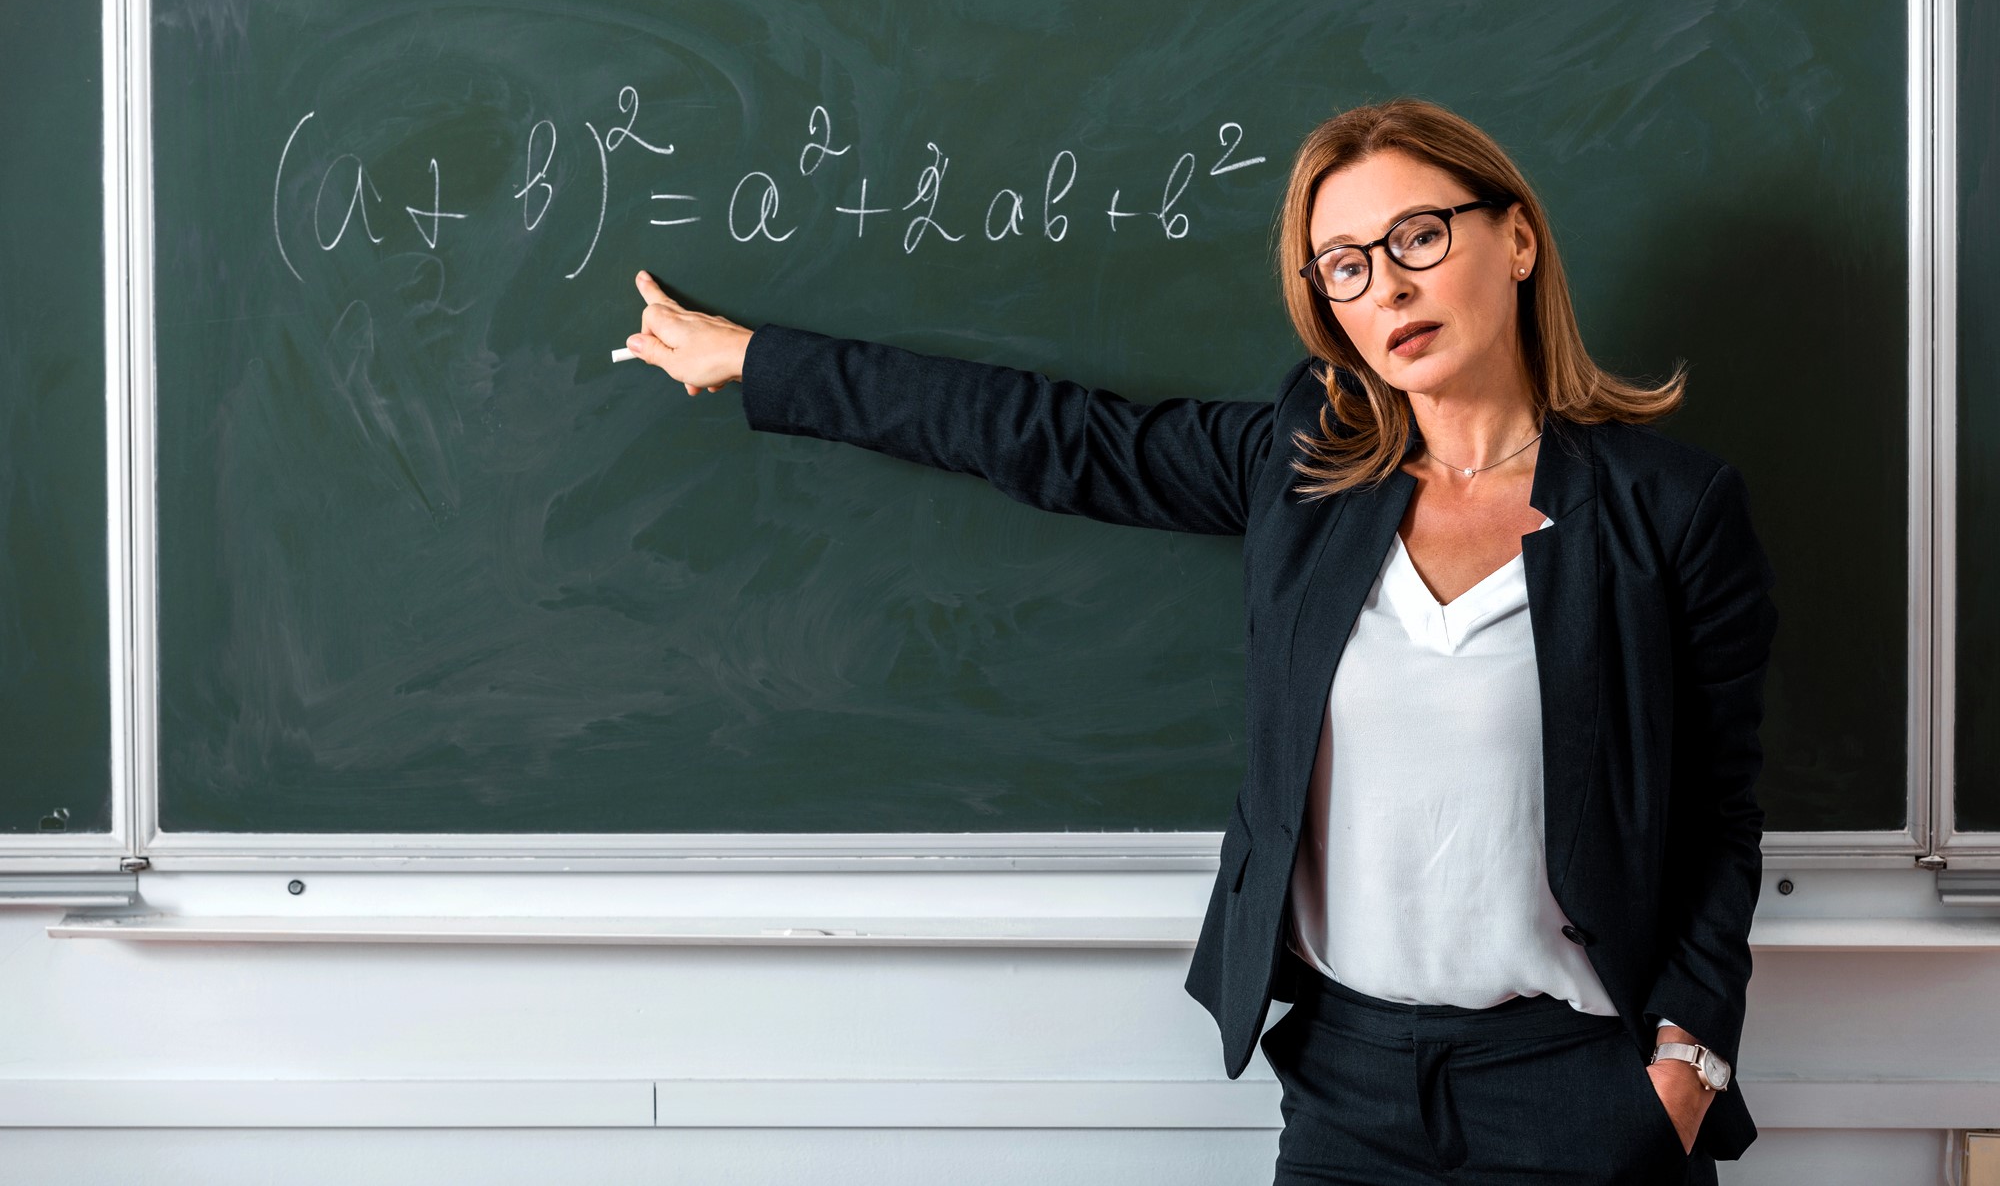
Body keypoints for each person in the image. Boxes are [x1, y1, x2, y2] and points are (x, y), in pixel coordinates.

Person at [619, 97, 1775, 1185]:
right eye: (1347, 266)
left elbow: (1717, 814)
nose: (1388, 288)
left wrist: (1684, 1066)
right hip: (1349, 1087)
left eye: (1418, 237)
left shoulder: (1664, 509)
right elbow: (1053, 437)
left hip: (1578, 1086)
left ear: (1514, 239)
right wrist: (760, 360)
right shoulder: (1306, 470)